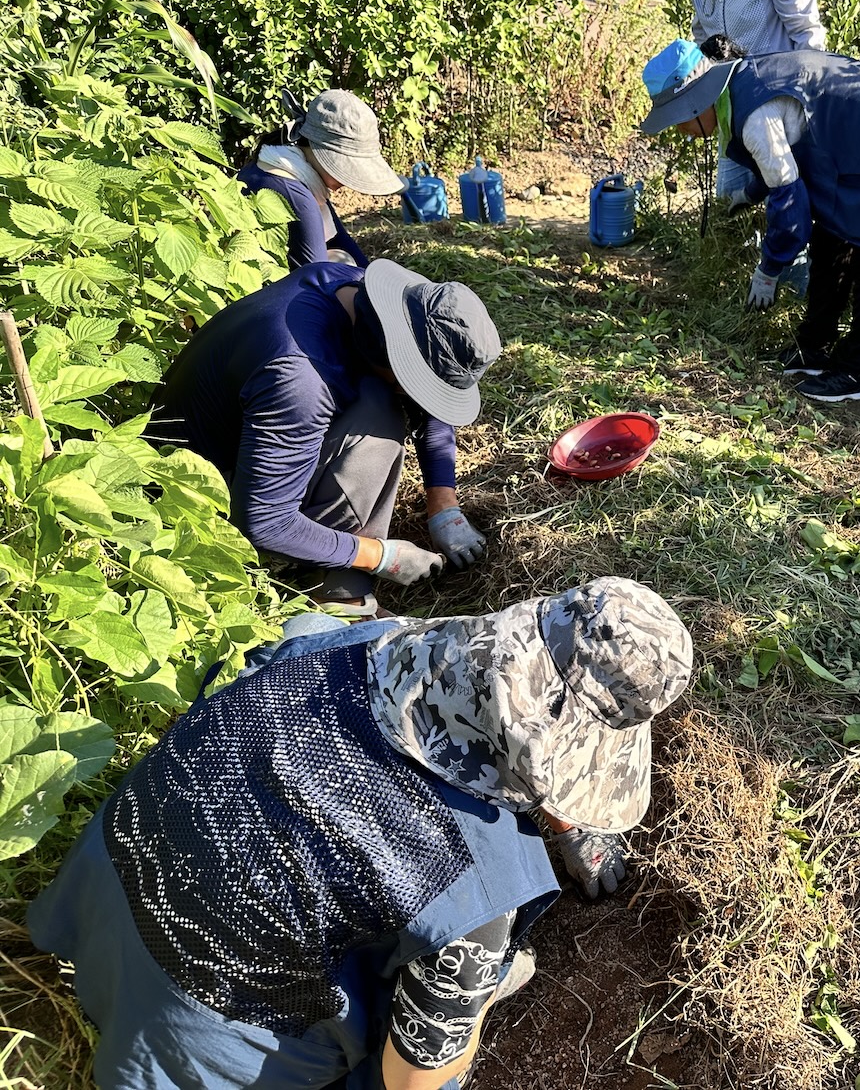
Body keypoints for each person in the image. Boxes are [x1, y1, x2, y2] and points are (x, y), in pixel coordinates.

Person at [28, 576, 694, 1090]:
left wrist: (566, 815)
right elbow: (413, 1081)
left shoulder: (345, 641)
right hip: (185, 1050)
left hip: (105, 904)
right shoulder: (470, 895)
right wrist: (477, 987)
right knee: (447, 1038)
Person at [149, 258, 498, 617]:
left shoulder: (357, 291)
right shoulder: (300, 380)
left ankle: (338, 569)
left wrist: (443, 504)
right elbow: (264, 521)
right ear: (393, 353)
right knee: (377, 427)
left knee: (379, 397)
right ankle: (338, 594)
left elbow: (426, 406)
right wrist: (379, 556)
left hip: (247, 442)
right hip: (194, 493)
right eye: (412, 379)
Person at [639, 38, 860, 404]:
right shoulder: (735, 91)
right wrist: (749, 195)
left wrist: (768, 270)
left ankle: (855, 371)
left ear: (698, 100)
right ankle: (815, 346)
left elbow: (791, 209)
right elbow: (780, 163)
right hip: (849, 149)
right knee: (830, 241)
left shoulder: (753, 115)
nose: (679, 129)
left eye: (679, 118)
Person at [686, 0, 826, 204]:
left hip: (777, 109)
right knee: (731, 206)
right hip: (730, 110)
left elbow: (809, 39)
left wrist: (808, 115)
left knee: (783, 198)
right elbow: (702, 34)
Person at [239, 90, 406, 271]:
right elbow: (317, 280)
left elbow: (340, 240)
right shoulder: (297, 197)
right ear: (318, 150)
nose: (348, 182)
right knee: (342, 266)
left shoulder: (280, 164)